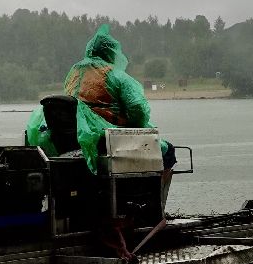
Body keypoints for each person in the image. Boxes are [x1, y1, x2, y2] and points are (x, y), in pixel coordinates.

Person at [24, 24, 175, 173]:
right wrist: (134, 125)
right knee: (168, 151)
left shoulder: (74, 73)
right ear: (111, 53)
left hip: (74, 138)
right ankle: (155, 192)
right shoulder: (116, 75)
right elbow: (139, 111)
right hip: (106, 138)